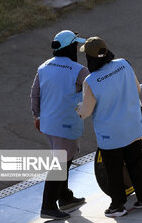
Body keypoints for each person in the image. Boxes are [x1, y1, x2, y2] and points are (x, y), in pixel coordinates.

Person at [76, 36, 142, 217]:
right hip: (133, 128)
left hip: (111, 136)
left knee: (114, 170)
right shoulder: (124, 64)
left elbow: (86, 112)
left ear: (90, 58)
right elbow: (137, 89)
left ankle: (118, 206)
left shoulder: (91, 80)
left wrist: (78, 109)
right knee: (136, 164)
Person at [30, 30, 89, 220]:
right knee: (60, 164)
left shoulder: (43, 67)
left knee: (64, 159)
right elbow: (94, 87)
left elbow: (35, 93)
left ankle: (65, 197)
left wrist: (37, 116)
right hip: (66, 125)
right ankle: (47, 206)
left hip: (48, 124)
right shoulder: (79, 70)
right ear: (70, 48)